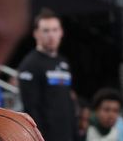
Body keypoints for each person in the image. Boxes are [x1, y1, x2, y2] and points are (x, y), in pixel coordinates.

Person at [17, 9, 78, 140]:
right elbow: (31, 108)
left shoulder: (63, 62)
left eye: (55, 30)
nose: (51, 35)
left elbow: (68, 102)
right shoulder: (29, 64)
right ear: (36, 34)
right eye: (46, 30)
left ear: (61, 32)